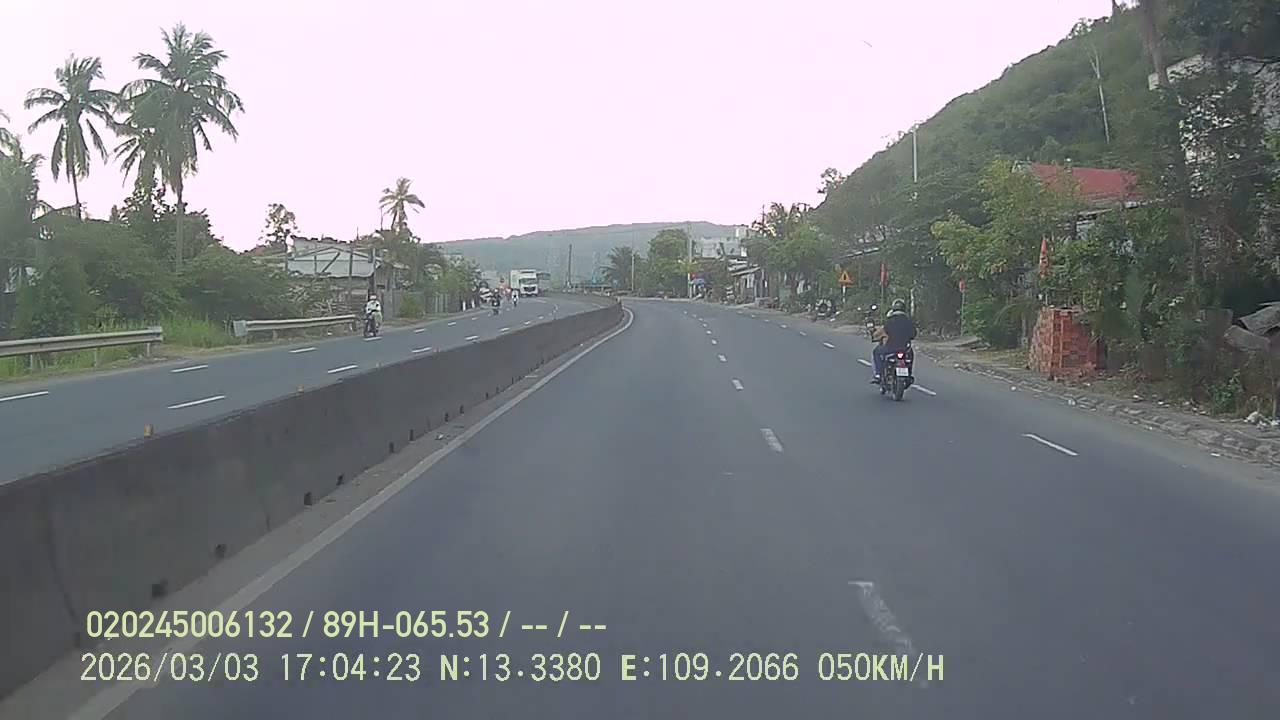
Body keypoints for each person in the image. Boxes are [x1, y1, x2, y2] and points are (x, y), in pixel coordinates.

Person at [871, 298, 916, 383]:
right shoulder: (908, 321)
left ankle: (878, 374)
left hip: (890, 348)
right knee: (911, 356)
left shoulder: (889, 321)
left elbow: (882, 333)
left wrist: (875, 336)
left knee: (876, 352)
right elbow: (913, 334)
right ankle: (909, 374)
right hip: (905, 349)